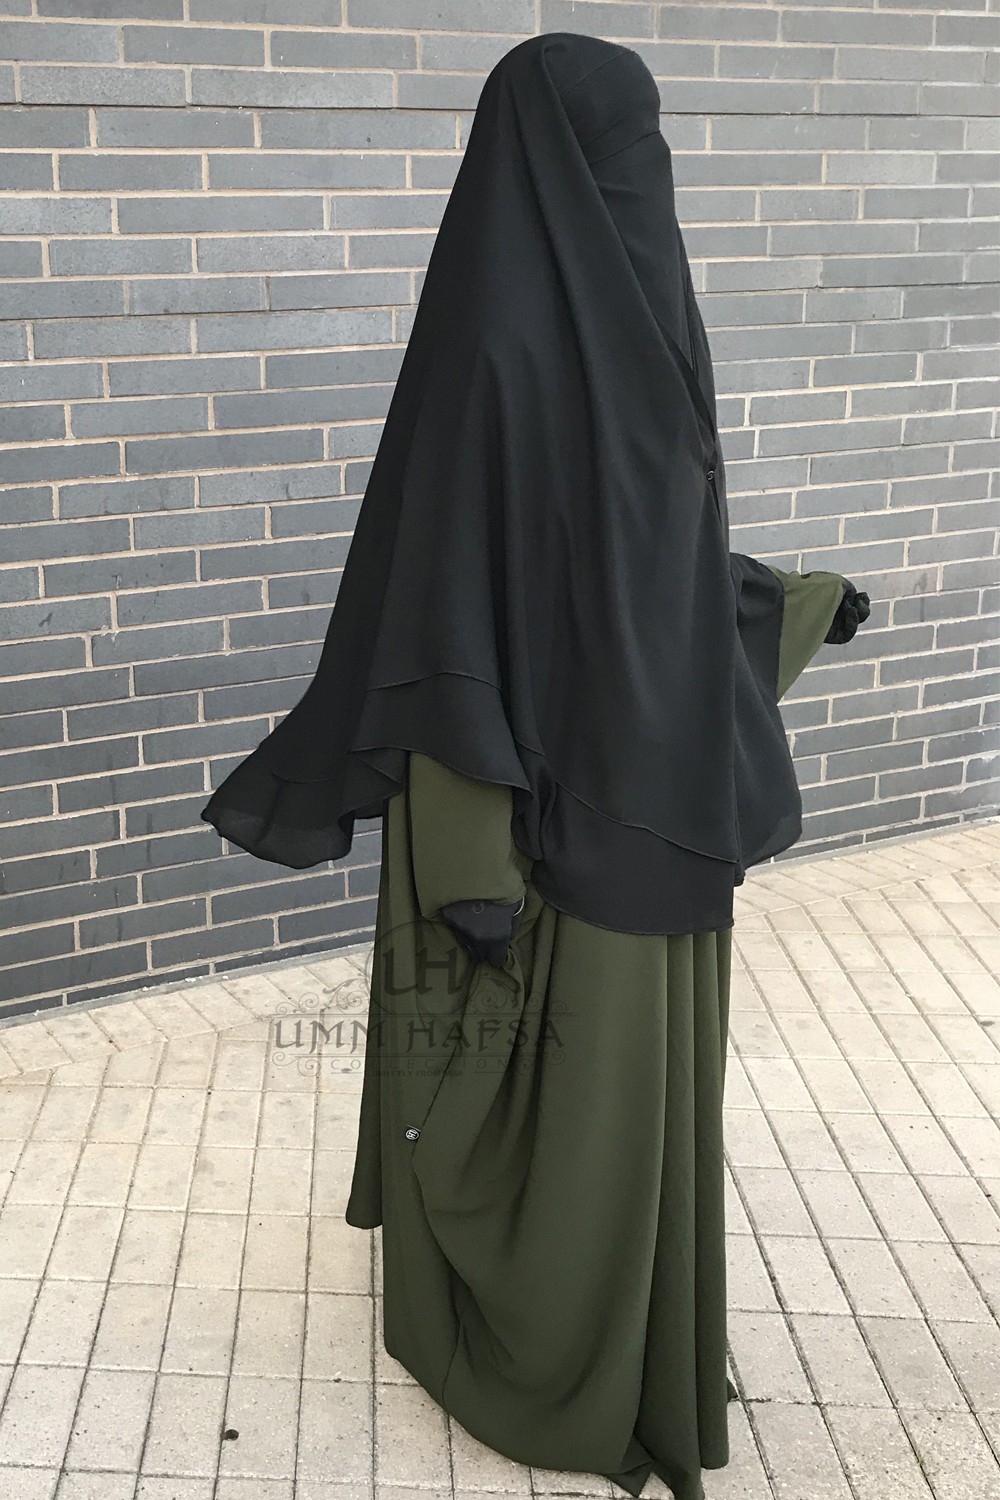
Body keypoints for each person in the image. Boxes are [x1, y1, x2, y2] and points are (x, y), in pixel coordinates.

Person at [201, 32, 871, 1500]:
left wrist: (786, 605)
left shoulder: (646, 327)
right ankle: (528, 1364)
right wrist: (469, 867)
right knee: (549, 1116)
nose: (651, 175)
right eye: (626, 144)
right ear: (565, 166)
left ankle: (631, 1348)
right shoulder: (498, 358)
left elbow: (648, 565)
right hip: (524, 826)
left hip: (657, 800)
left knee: (630, 1122)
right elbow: (442, 622)